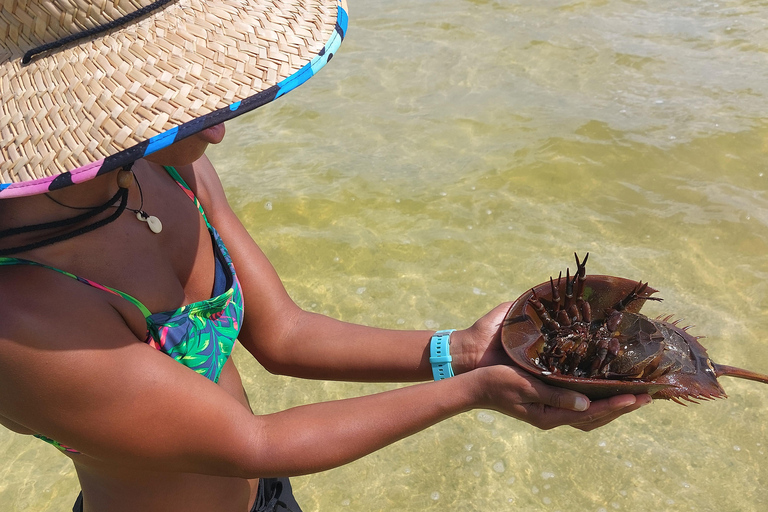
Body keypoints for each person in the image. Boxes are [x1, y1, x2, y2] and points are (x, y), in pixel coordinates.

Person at [0, 0, 651, 511]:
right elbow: (256, 441)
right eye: (175, 107)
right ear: (94, 110)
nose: (218, 127)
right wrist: (475, 392)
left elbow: (284, 335)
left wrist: (464, 349)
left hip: (265, 493)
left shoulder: (169, 172)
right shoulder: (24, 316)